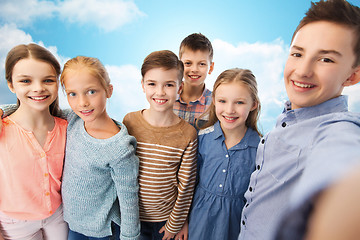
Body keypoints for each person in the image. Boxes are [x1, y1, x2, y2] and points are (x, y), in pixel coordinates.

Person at [238, 1, 360, 240]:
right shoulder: (287, 118)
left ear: (352, 75)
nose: (303, 70)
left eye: (326, 59)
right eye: (297, 53)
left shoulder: (337, 131)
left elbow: (342, 164)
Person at [0, 56, 141, 240]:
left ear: (109, 90)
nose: (82, 102)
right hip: (72, 226)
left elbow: (129, 199)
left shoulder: (120, 147)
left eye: (91, 92)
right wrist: (4, 110)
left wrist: (130, 237)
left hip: (103, 231)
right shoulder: (73, 119)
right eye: (73, 94)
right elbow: (34, 110)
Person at [123, 50, 197, 240]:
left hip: (165, 222)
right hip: (130, 217)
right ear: (143, 85)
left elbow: (186, 186)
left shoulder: (188, 134)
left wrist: (175, 224)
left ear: (180, 88)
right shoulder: (129, 122)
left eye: (169, 85)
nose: (160, 92)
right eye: (152, 84)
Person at [0, 43, 68, 239]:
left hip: (58, 216)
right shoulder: (3, 129)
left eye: (48, 80)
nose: (38, 88)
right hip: (14, 224)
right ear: (11, 84)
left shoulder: (67, 127)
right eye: (25, 81)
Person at [187, 68, 261, 240]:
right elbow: (189, 185)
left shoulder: (260, 148)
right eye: (222, 101)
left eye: (239, 103)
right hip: (199, 222)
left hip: (236, 227)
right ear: (213, 101)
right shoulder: (202, 138)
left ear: (254, 104)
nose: (230, 110)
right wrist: (182, 223)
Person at [173, 33, 214, 128]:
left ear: (211, 68)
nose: (194, 69)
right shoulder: (168, 96)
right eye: (188, 63)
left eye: (202, 64)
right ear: (179, 65)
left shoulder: (215, 103)